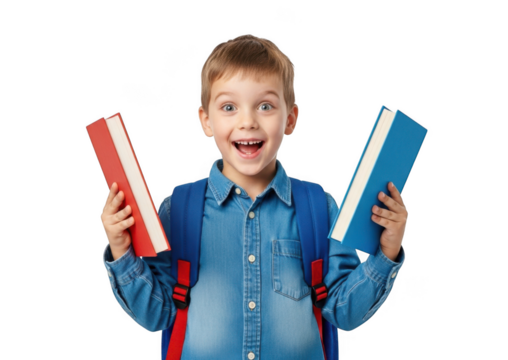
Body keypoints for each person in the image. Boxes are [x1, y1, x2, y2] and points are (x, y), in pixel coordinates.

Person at [101, 34, 408, 359]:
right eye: (229, 107)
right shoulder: (178, 209)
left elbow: (345, 313)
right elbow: (156, 315)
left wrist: (386, 252)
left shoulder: (319, 208)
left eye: (265, 106)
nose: (247, 121)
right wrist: (122, 251)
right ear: (206, 120)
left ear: (290, 118)